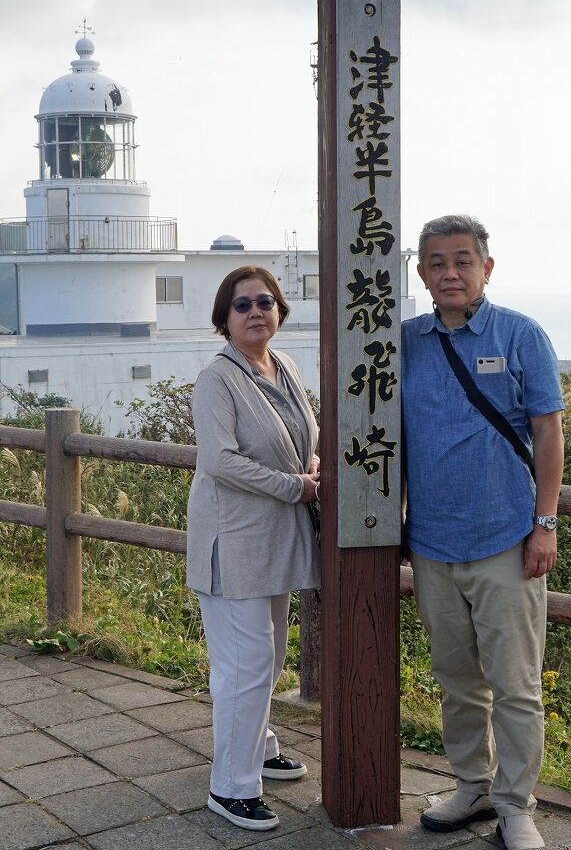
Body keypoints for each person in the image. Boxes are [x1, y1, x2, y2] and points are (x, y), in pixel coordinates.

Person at [401, 215, 564, 850]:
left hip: (507, 538)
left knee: (517, 685)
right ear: (421, 272)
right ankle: (471, 785)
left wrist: (544, 525)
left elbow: (548, 431)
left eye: (463, 261)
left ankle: (516, 806)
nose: (450, 273)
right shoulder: (405, 341)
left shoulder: (521, 334)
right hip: (432, 544)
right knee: (456, 677)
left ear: (487, 268)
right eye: (437, 262)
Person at [187, 265, 320, 832]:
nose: (255, 312)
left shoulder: (284, 367)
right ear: (225, 318)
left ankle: (260, 747)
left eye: (265, 301)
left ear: (279, 311)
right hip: (232, 542)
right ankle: (232, 788)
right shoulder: (217, 379)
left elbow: (298, 440)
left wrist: (309, 465)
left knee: (266, 659)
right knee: (245, 665)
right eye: (241, 305)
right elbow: (220, 460)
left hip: (274, 541)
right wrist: (296, 486)